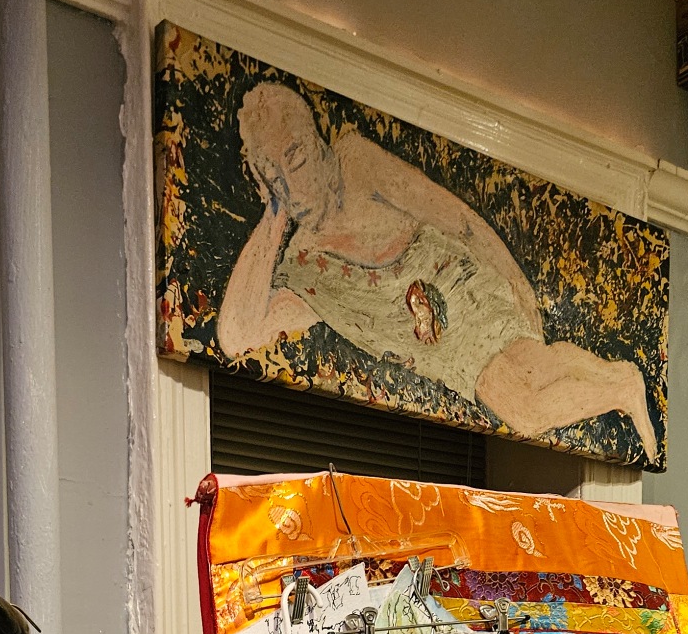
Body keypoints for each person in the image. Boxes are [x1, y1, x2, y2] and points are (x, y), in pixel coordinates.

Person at [216, 84, 657, 460]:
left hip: (461, 286)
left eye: (295, 160)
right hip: (444, 351)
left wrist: (515, 279)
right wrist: (273, 215)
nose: (292, 188)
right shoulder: (307, 267)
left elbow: (453, 217)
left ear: (317, 143)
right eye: (273, 177)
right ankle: (622, 381)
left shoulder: (355, 163)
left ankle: (619, 387)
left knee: (528, 397)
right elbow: (235, 335)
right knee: (530, 382)